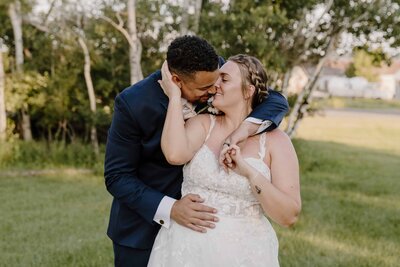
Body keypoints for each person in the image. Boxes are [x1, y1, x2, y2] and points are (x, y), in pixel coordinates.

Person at [104, 36, 289, 267]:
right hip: (142, 226)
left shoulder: (212, 72)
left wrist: (244, 129)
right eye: (204, 88)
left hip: (213, 239)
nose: (214, 90)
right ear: (176, 81)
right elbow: (117, 176)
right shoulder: (133, 103)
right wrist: (171, 208)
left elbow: (276, 100)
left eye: (217, 83)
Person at [148, 54, 301, 266]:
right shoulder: (202, 124)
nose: (214, 85)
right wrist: (174, 96)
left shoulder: (277, 142)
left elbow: (288, 216)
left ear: (248, 91)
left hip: (245, 252)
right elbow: (175, 155)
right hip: (184, 248)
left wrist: (248, 172)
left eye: (224, 79)